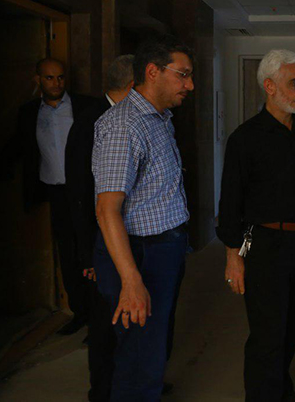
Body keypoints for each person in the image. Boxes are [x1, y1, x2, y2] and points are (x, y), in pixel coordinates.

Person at [217, 49, 295, 402]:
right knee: (268, 332)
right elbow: (230, 202)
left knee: (293, 324)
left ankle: (281, 390)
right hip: (266, 246)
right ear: (269, 86)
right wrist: (233, 256)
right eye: (294, 83)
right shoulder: (245, 139)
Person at [92, 36, 194, 401]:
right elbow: (107, 209)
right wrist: (131, 279)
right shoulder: (124, 125)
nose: (190, 85)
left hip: (163, 249)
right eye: (183, 74)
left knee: (152, 348)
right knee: (139, 358)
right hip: (140, 254)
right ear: (153, 71)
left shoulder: (159, 118)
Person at [0, 58, 97, 335]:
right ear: (38, 79)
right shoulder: (29, 112)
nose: (56, 83)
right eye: (49, 78)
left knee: (91, 251)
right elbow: (18, 145)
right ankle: (80, 313)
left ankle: (99, 319)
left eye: (60, 77)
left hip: (85, 190)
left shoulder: (85, 106)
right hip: (56, 191)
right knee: (68, 254)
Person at [66, 54, 134, 402]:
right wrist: (88, 254)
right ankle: (103, 393)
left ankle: (131, 383)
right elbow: (80, 193)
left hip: (126, 236)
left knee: (129, 321)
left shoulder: (132, 118)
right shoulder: (92, 121)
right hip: (100, 243)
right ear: (134, 85)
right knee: (105, 325)